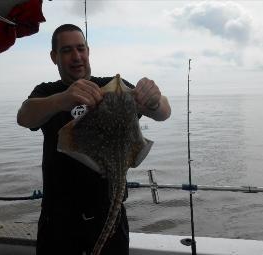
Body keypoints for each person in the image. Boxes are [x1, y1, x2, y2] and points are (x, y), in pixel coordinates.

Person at [17, 24, 171, 255]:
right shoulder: (48, 91)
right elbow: (24, 116)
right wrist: (61, 100)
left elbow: (163, 112)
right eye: (67, 50)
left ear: (88, 51)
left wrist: (154, 100)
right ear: (54, 56)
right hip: (59, 221)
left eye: (81, 48)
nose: (76, 56)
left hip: (109, 211)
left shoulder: (113, 87)